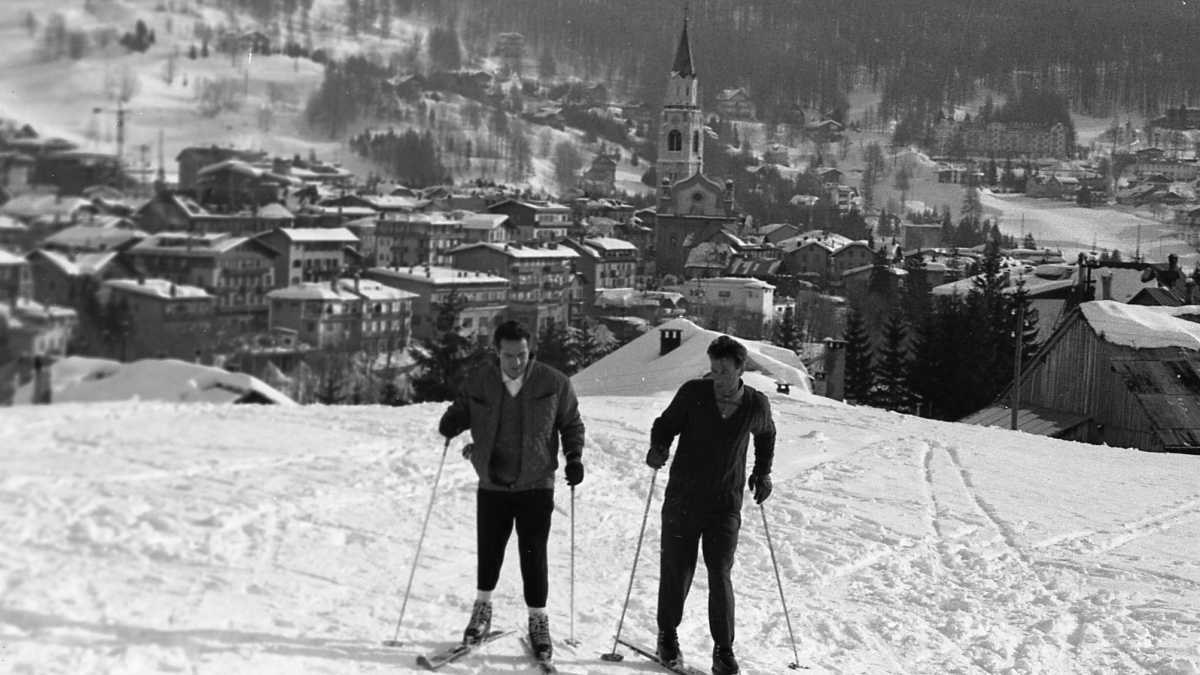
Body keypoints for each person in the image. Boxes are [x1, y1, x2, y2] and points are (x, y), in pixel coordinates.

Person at [438, 320, 585, 661]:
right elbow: (463, 409)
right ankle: (482, 610)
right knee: (490, 550)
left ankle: (538, 620)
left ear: (529, 350)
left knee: (533, 554)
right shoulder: (481, 379)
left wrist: (574, 457)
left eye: (521, 355)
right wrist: (452, 422)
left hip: (536, 483)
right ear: (497, 352)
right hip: (492, 481)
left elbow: (571, 423)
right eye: (508, 356)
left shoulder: (554, 382)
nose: (516, 363)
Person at [645, 335, 776, 675]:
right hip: (682, 500)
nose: (716, 377)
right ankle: (668, 635)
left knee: (720, 574)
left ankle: (724, 650)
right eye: (713, 369)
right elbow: (665, 425)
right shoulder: (693, 394)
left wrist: (763, 473)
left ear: (740, 369)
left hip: (724, 505)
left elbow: (766, 434)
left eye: (723, 371)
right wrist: (658, 447)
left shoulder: (755, 405)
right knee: (678, 570)